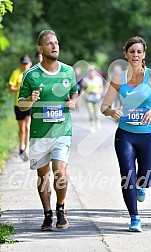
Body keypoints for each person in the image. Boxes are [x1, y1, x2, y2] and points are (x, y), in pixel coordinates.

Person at [101, 36, 151, 232]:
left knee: (145, 177)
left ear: (144, 54)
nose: (135, 55)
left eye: (139, 51)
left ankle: (143, 184)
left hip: (148, 136)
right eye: (132, 52)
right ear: (126, 54)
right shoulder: (118, 78)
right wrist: (112, 111)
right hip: (125, 135)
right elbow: (104, 106)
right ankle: (134, 217)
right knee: (127, 175)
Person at [18, 30, 78, 230]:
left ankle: (61, 208)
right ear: (40, 48)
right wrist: (30, 100)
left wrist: (73, 102)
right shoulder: (31, 75)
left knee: (60, 173)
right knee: (43, 177)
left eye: (56, 43)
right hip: (39, 134)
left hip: (62, 131)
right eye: (50, 43)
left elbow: (74, 94)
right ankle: (47, 214)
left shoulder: (68, 71)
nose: (54, 46)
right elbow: (21, 105)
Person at [9, 55, 32, 161]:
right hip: (18, 104)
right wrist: (20, 88)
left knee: (27, 127)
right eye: (23, 63)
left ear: (30, 63)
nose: (25, 65)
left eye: (26, 63)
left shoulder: (32, 73)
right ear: (21, 63)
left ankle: (26, 149)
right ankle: (21, 146)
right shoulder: (16, 73)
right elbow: (11, 88)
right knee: (21, 128)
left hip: (29, 103)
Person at [83, 66, 103, 132]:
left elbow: (101, 87)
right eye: (90, 71)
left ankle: (97, 121)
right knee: (91, 113)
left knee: (96, 113)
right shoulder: (86, 79)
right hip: (89, 97)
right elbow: (84, 88)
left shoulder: (98, 79)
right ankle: (92, 126)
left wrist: (99, 92)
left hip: (96, 97)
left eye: (93, 71)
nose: (91, 73)